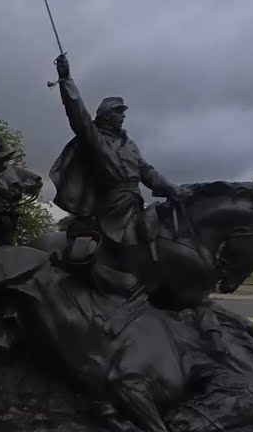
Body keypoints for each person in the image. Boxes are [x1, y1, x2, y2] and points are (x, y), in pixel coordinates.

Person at [49, 53, 178, 296]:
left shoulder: (130, 145)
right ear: (107, 115)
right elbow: (79, 117)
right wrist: (66, 80)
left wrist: (173, 188)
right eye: (119, 112)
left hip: (135, 202)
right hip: (111, 207)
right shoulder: (96, 140)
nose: (123, 116)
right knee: (130, 242)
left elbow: (147, 172)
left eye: (123, 112)